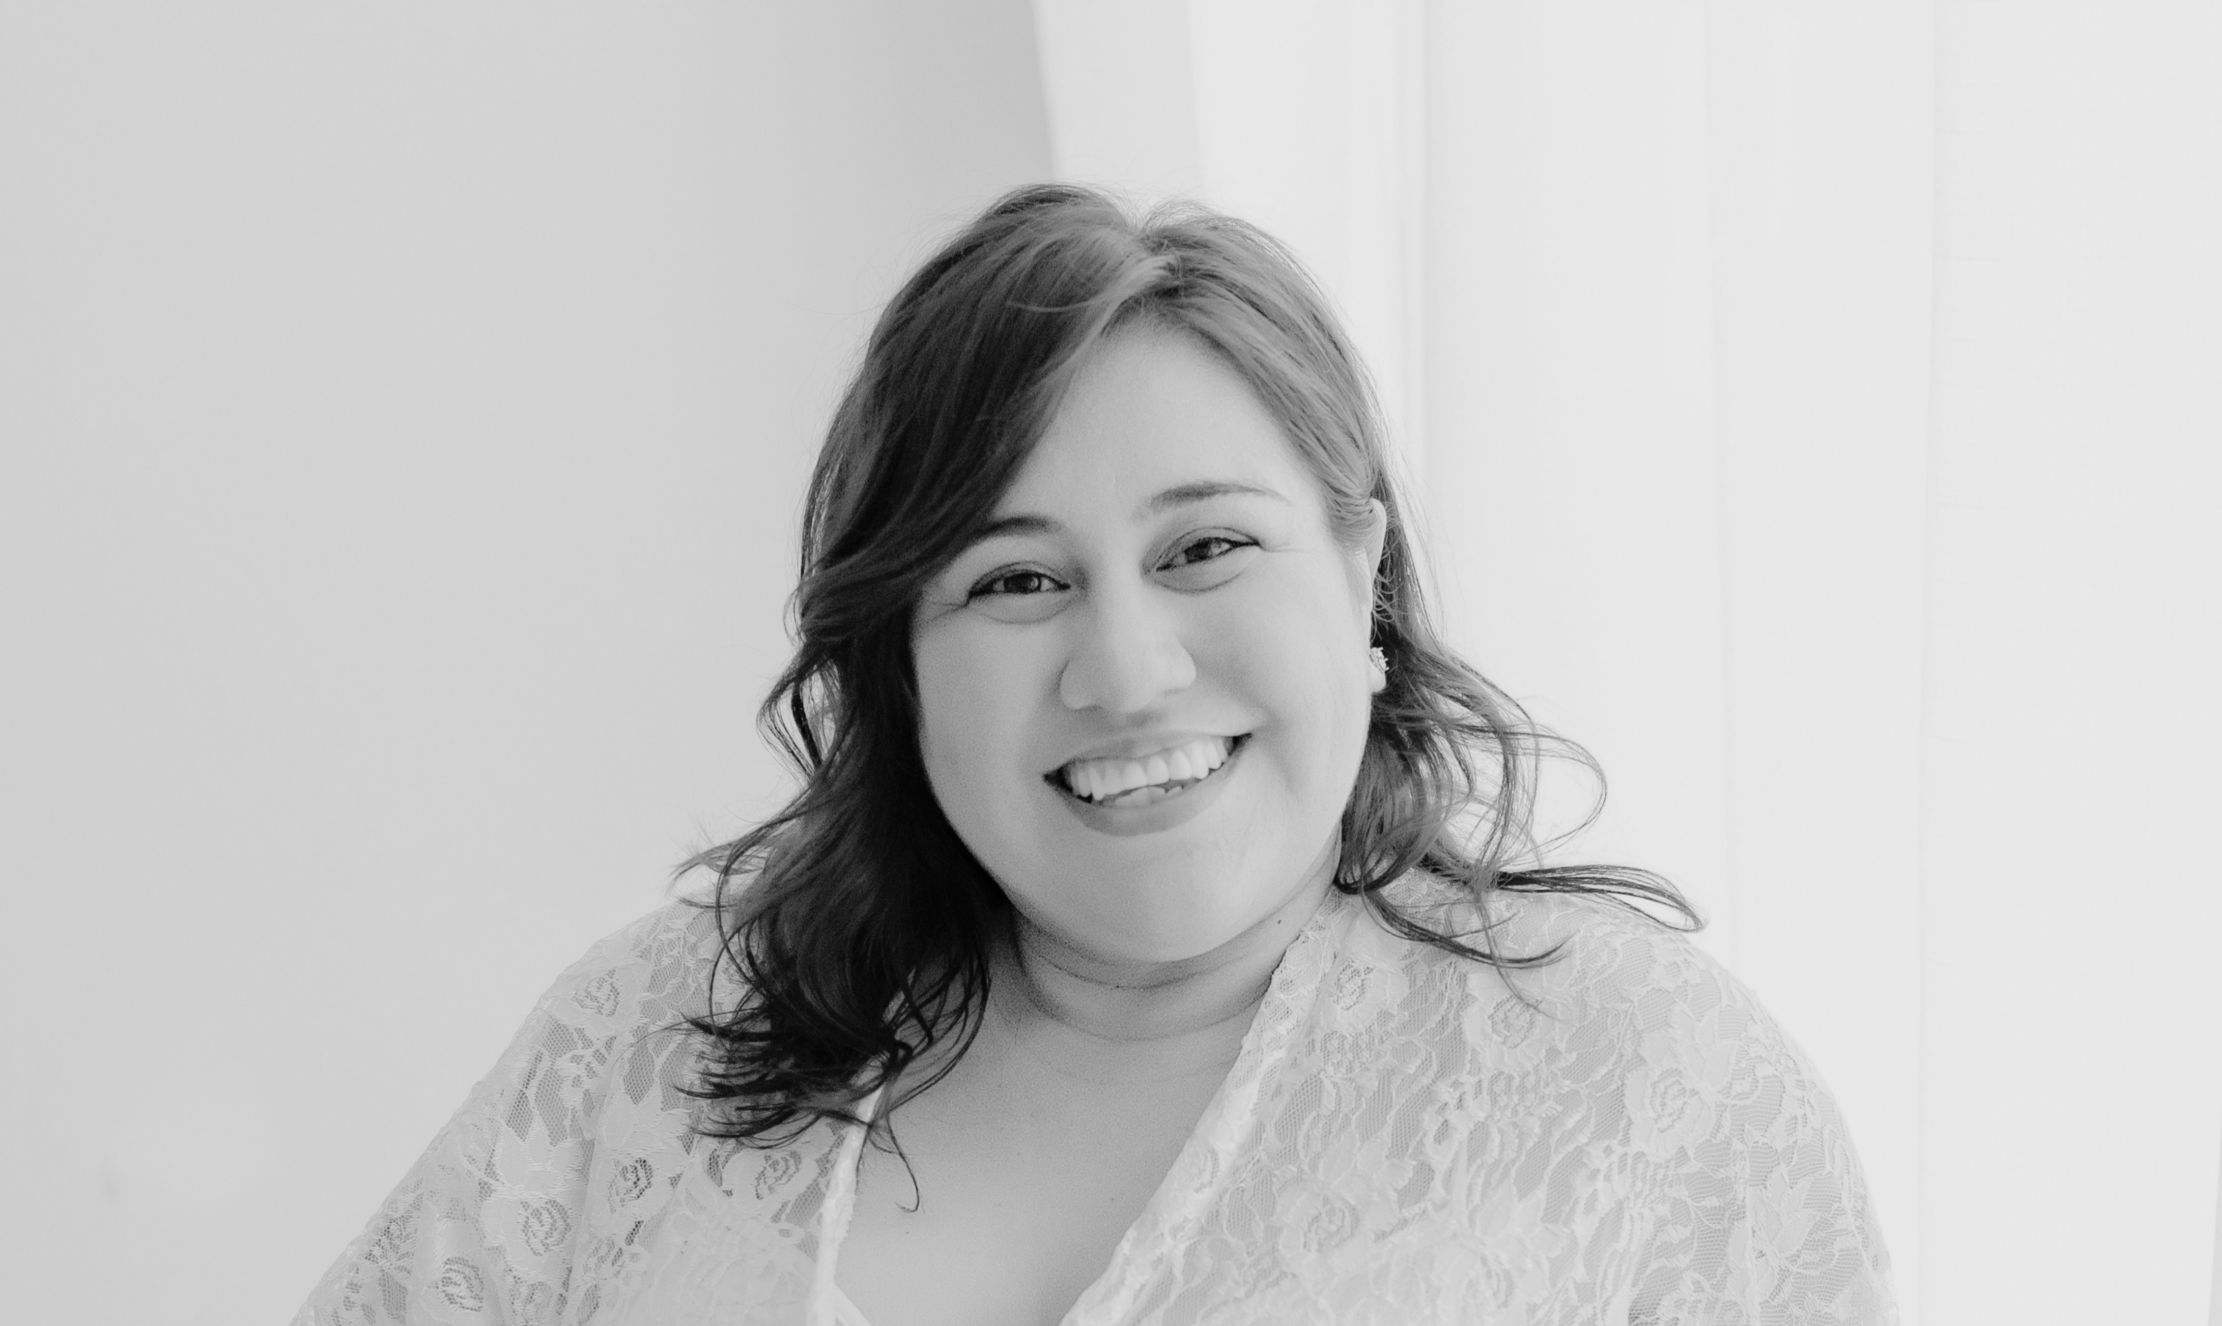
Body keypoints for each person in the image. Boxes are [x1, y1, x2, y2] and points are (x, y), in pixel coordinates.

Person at [295, 184, 1898, 1326]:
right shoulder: (653, 1036)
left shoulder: (1650, 1090)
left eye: (1206, 547)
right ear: (903, 667)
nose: (1126, 667)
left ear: (1365, 584)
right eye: (1014, 581)